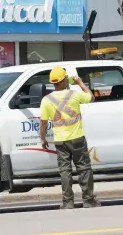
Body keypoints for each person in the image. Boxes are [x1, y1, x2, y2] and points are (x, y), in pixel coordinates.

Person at [39, 66, 101, 209]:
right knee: (84, 168)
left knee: (65, 171)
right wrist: (79, 82)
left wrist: (43, 139)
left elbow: (43, 123)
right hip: (77, 138)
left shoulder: (46, 100)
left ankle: (68, 203)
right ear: (65, 79)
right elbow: (91, 97)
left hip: (60, 141)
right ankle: (88, 200)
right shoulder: (75, 94)